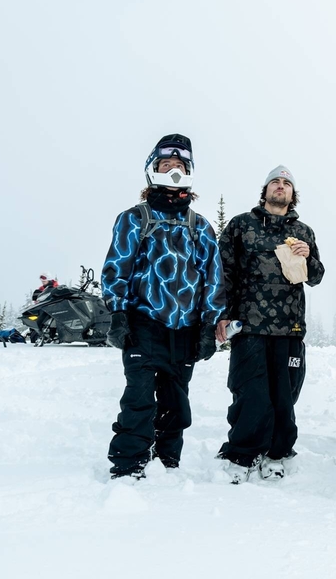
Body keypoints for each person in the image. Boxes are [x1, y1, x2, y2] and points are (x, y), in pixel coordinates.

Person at [101, 133, 225, 479]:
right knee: (139, 397)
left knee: (176, 401)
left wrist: (208, 325)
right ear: (152, 170)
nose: (173, 170)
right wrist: (118, 313)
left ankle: (167, 462)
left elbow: (213, 278)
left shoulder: (200, 226)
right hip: (143, 323)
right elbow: (116, 267)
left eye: (180, 165)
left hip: (185, 329)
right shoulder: (134, 218)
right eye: (166, 164)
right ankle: (128, 464)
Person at [216, 165, 325, 482]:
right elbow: (224, 271)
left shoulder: (303, 232)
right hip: (250, 325)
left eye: (286, 183)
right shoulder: (241, 225)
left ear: (293, 194)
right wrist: (222, 314)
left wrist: (308, 257)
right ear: (265, 191)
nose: (280, 186)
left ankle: (277, 453)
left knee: (284, 396)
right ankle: (242, 454)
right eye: (275, 182)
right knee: (251, 394)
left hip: (290, 327)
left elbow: (316, 277)